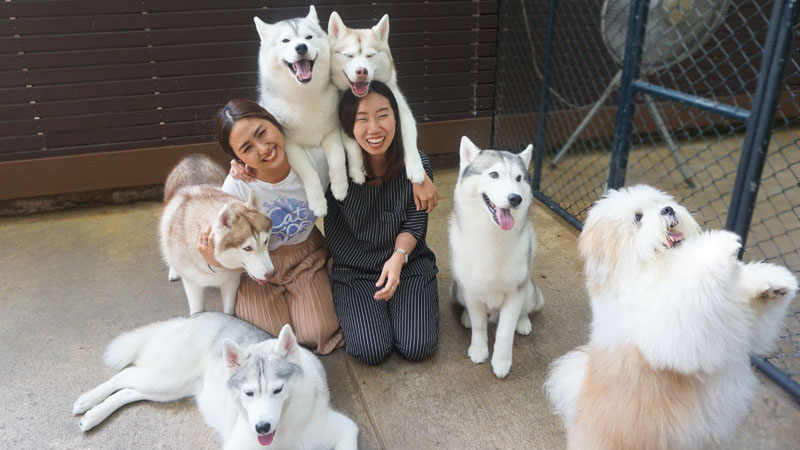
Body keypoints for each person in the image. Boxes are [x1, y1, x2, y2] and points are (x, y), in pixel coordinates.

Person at [199, 98, 343, 355]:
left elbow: (362, 142)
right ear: (238, 158)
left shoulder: (316, 159)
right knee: (269, 338)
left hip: (303, 256)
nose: (263, 149)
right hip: (254, 267)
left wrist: (420, 175)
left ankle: (301, 295)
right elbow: (220, 246)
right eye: (247, 148)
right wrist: (214, 260)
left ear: (274, 122)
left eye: (262, 133)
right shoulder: (237, 187)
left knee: (318, 331)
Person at [325, 81, 439, 365]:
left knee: (418, 346)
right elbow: (288, 162)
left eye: (383, 115)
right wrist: (246, 168)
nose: (374, 128)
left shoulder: (416, 166)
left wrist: (398, 259)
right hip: (355, 271)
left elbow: (415, 221)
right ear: (346, 125)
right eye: (361, 119)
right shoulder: (333, 168)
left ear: (398, 118)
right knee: (372, 350)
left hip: (407, 263)